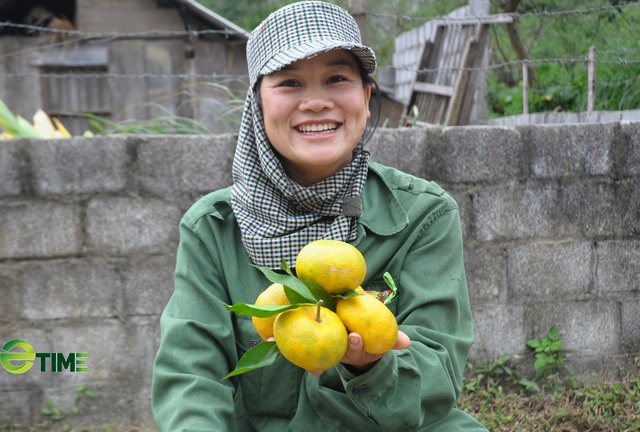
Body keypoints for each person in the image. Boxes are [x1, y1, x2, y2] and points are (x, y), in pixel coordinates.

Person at [151, 1, 487, 430]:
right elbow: (191, 377)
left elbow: (436, 377)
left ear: (365, 99)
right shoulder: (215, 228)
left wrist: (372, 368)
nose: (315, 102)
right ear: (257, 107)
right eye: (289, 82)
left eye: (336, 78)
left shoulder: (423, 214)